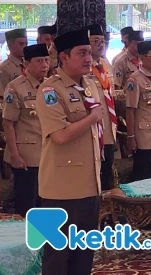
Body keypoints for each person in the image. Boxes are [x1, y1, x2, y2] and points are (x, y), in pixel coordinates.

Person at [36, 28, 104, 275]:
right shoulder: (50, 92)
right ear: (64, 57)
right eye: (82, 53)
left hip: (88, 184)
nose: (89, 58)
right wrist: (93, 118)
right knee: (57, 257)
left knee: (83, 254)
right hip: (61, 189)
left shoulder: (89, 85)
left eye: (89, 52)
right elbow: (60, 136)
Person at [2, 44, 49, 217]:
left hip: (48, 153)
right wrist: (14, 155)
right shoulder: (16, 88)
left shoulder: (50, 86)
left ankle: (45, 241)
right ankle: (25, 242)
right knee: (27, 204)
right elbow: (8, 124)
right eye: (39, 61)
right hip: (26, 155)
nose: (44, 65)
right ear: (26, 64)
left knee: (45, 202)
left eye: (46, 60)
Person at [126, 40, 151, 182]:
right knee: (143, 176)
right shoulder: (135, 80)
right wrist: (131, 137)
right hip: (143, 135)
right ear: (142, 58)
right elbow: (130, 110)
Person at [87, 25, 117, 190]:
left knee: (107, 170)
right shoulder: (84, 67)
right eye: (95, 41)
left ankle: (108, 210)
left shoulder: (106, 64)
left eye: (103, 41)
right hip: (94, 126)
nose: (101, 45)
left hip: (108, 126)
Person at [0, 28, 27, 100]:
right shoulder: (4, 68)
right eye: (21, 44)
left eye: (26, 43)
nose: (25, 47)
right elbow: (2, 94)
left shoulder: (28, 64)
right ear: (10, 46)